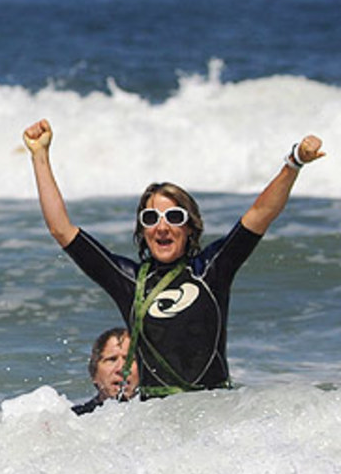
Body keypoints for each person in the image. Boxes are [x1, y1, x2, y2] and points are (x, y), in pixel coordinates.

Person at [24, 119, 325, 398]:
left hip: (214, 412)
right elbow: (61, 229)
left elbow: (261, 213)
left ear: (190, 226)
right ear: (143, 230)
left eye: (174, 217)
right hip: (156, 423)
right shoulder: (129, 281)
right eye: (152, 217)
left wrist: (294, 162)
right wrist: (40, 155)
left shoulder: (211, 270)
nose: (163, 226)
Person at [72, 327, 139, 415]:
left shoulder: (159, 411)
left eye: (129, 359)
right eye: (112, 359)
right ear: (94, 374)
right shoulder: (74, 419)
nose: (121, 368)